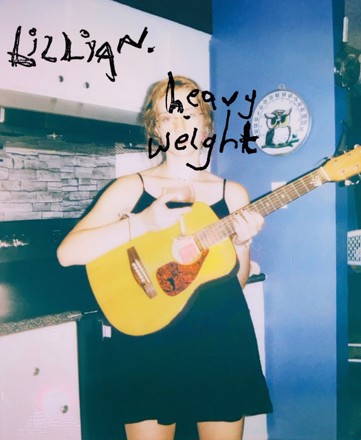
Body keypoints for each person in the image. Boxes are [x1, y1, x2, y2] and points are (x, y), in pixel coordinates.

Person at [57, 75, 272, 440]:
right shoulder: (130, 188)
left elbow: (233, 284)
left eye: (189, 113)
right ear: (156, 129)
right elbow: (67, 253)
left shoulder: (233, 194)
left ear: (206, 124)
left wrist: (242, 241)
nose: (180, 124)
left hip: (220, 338)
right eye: (168, 116)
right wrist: (142, 223)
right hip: (146, 340)